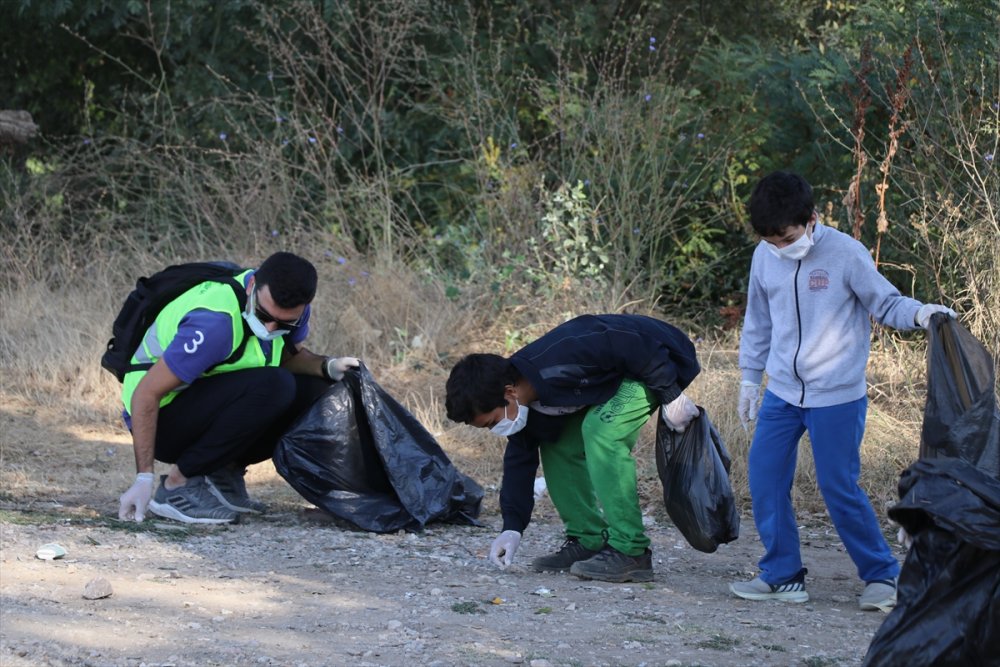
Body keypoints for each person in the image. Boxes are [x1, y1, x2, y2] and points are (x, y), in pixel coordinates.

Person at [731, 171, 956, 611]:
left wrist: (921, 314)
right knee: (764, 478)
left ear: (812, 219)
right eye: (771, 242)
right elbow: (758, 320)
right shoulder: (765, 256)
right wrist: (749, 378)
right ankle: (782, 575)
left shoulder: (846, 253)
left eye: (787, 239)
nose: (780, 248)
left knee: (838, 486)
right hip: (783, 392)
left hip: (836, 395)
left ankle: (883, 576)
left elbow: (886, 303)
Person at [445, 313, 701, 583]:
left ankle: (631, 550)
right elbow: (519, 463)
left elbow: (633, 344)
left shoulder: (561, 357)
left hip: (659, 358)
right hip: (617, 377)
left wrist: (671, 395)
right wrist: (512, 528)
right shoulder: (524, 408)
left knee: (601, 432)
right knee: (558, 445)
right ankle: (588, 539)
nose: (495, 429)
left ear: (510, 393)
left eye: (492, 422)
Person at [117, 252, 360, 524]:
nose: (270, 328)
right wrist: (144, 477)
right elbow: (146, 394)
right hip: (160, 421)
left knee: (315, 391)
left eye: (283, 324)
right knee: (275, 386)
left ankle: (223, 473)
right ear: (251, 285)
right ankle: (177, 486)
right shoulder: (215, 323)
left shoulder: (296, 311)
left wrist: (328, 366)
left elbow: (285, 357)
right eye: (264, 315)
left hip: (205, 403)